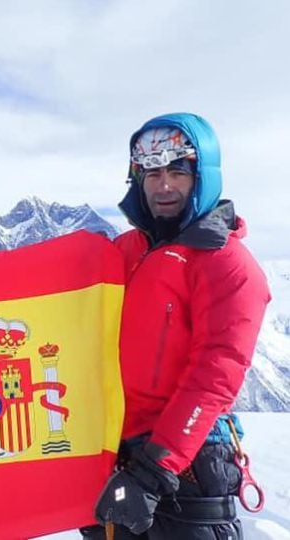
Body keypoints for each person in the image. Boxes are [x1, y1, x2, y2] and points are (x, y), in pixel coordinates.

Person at [83, 113, 270, 539]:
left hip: (188, 468)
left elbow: (214, 376)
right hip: (116, 459)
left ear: (202, 174)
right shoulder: (123, 252)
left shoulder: (227, 265)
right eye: (150, 172)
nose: (162, 185)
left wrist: (152, 473)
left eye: (177, 170)